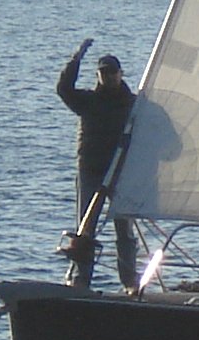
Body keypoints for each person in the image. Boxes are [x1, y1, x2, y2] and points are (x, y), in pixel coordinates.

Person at [55, 40, 140, 288]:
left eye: (112, 72)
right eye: (103, 73)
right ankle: (81, 281)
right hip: (91, 171)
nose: (109, 77)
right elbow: (63, 89)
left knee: (124, 230)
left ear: (120, 74)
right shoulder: (88, 101)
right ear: (98, 75)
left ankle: (130, 283)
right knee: (85, 229)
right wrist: (76, 58)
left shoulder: (134, 104)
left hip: (121, 173)